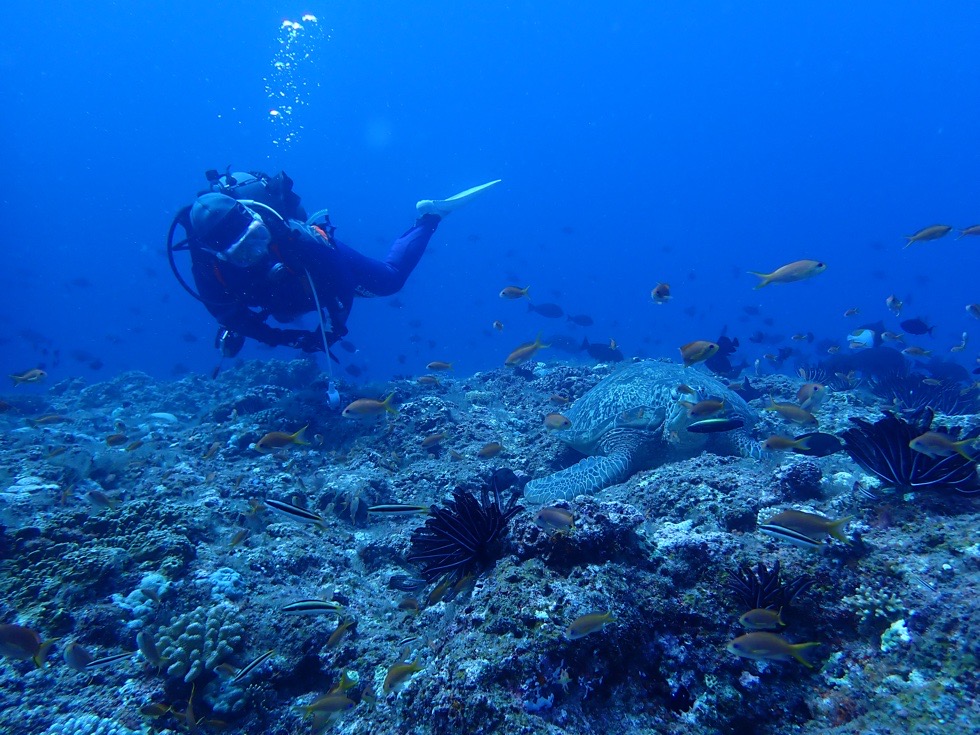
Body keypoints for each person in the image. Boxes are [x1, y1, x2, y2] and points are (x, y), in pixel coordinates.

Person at [173, 170, 499, 359]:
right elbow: (228, 314)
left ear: (260, 222)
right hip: (269, 294)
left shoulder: (292, 236)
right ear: (219, 255)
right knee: (274, 314)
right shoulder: (207, 271)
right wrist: (284, 338)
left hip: (316, 266)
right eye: (243, 253)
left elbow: (341, 281)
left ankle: (430, 216)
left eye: (258, 238)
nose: (256, 253)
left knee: (389, 281)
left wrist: (333, 328)